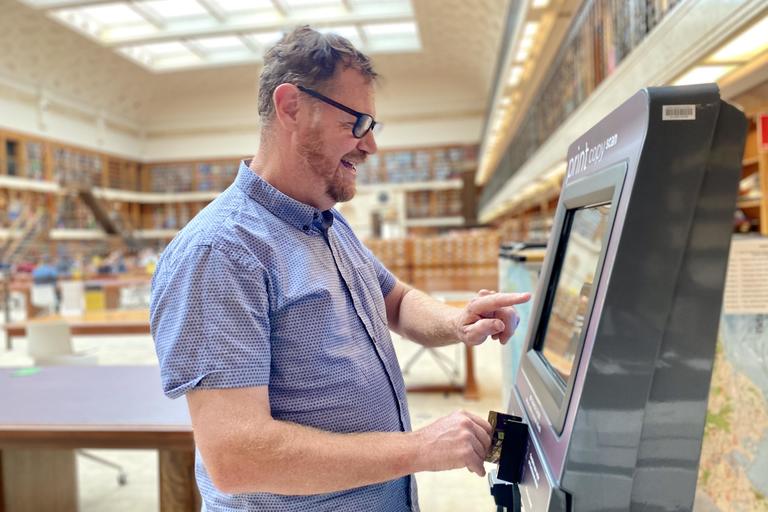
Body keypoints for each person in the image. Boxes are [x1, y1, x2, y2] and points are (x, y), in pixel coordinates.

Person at [150, 26, 531, 512]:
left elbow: (393, 299)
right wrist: (419, 448)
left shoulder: (327, 222)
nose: (370, 147)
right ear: (290, 107)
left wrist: (456, 321)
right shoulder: (220, 253)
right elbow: (236, 456)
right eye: (357, 123)